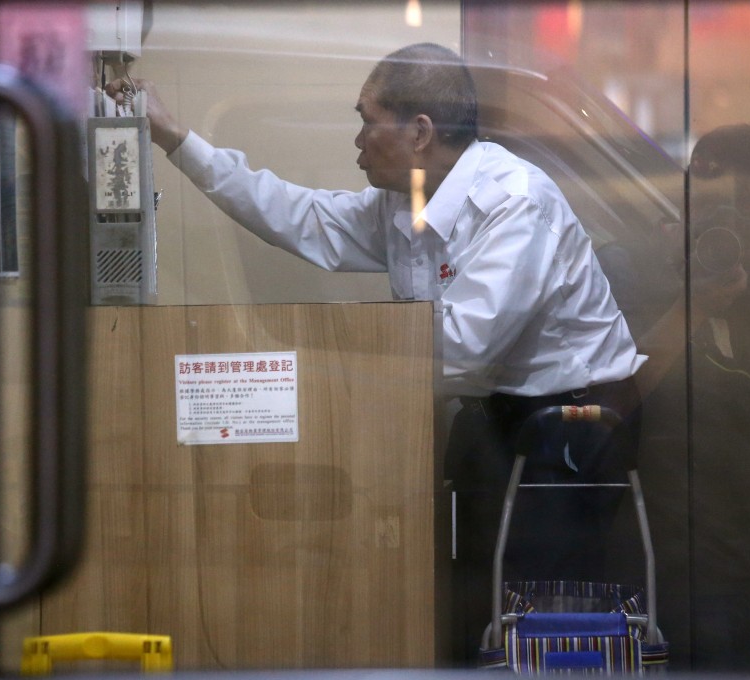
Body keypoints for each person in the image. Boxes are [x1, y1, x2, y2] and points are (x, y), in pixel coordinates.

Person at [108, 42, 646, 665]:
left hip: (574, 424)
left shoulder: (514, 202)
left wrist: (330, 370)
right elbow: (299, 216)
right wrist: (176, 140)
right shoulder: (406, 202)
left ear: (419, 132)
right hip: (496, 412)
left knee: (539, 611)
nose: (358, 138)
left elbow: (464, 351)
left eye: (367, 119)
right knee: (478, 599)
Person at [597, 123, 750, 673]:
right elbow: (614, 396)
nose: (736, 228)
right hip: (664, 551)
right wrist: (693, 304)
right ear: (693, 184)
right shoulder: (631, 264)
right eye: (732, 206)